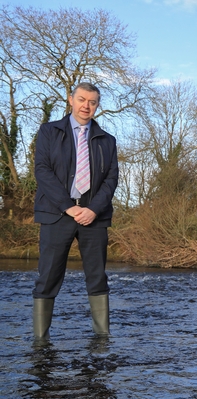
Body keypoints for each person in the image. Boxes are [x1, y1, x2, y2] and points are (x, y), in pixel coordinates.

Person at [32, 82, 119, 343]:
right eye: (82, 99)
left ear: (97, 105)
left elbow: (111, 179)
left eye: (92, 102)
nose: (86, 106)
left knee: (97, 277)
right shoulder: (49, 132)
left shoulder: (108, 140)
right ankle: (40, 342)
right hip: (56, 213)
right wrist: (68, 206)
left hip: (95, 217)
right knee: (47, 277)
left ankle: (102, 340)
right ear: (71, 100)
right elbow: (42, 171)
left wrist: (93, 209)